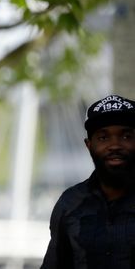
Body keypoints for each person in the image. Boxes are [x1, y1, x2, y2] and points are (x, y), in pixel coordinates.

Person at [41, 94, 135, 269]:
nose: (114, 145)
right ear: (89, 145)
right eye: (103, 137)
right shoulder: (69, 203)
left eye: (125, 136)